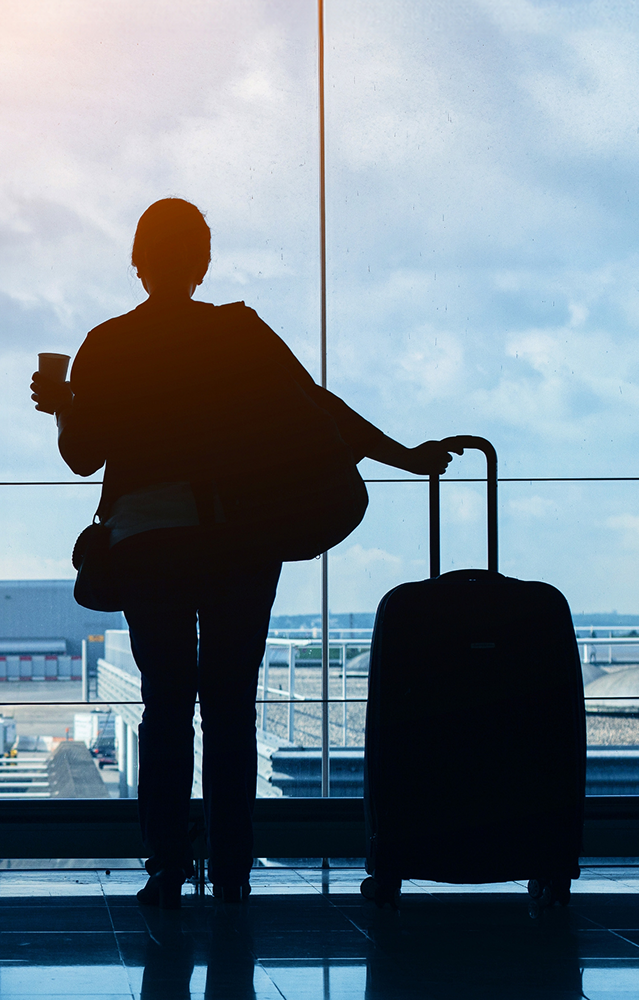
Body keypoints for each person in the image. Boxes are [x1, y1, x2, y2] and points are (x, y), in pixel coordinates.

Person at [29, 198, 449, 906]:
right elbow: (318, 407)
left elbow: (79, 456)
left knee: (165, 706)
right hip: (238, 540)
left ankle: (165, 867)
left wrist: (64, 401)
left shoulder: (106, 343)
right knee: (231, 705)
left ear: (137, 261)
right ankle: (232, 870)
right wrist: (403, 457)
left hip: (148, 541)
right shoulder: (239, 333)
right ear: (203, 262)